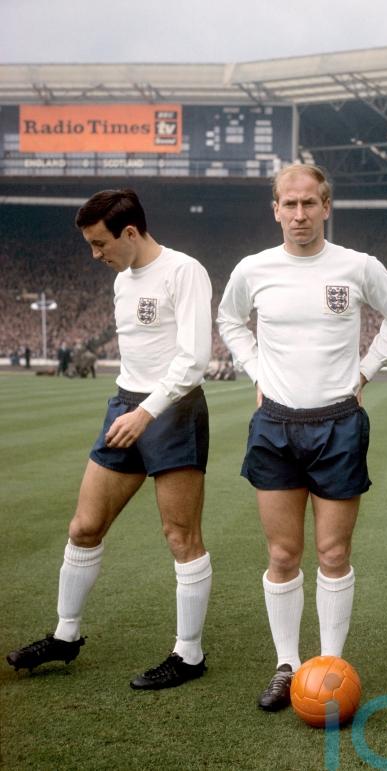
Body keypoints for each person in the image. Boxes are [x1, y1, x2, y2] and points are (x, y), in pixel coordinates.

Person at [217, 163, 387, 712]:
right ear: (275, 210)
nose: (300, 214)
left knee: (333, 551)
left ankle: (329, 664)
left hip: (339, 423)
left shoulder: (357, 266)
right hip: (275, 424)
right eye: (290, 204)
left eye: (310, 203)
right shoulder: (253, 269)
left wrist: (365, 372)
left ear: (326, 207)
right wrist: (256, 370)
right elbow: (229, 320)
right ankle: (286, 665)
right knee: (283, 553)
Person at [6, 188, 214, 690]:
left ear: (130, 232)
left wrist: (147, 412)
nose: (95, 255)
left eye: (100, 243)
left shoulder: (185, 271)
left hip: (173, 411)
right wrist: (132, 408)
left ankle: (189, 655)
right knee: (84, 526)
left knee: (181, 537)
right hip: (125, 406)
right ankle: (65, 635)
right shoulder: (122, 280)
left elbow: (194, 359)